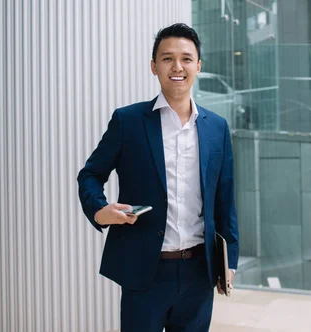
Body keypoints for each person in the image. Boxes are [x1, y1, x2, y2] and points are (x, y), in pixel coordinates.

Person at [77, 23, 239, 332]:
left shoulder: (217, 128)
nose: (177, 66)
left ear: (199, 65)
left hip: (198, 273)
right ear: (154, 66)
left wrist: (229, 261)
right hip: (144, 271)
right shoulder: (128, 121)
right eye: (167, 58)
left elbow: (225, 200)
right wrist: (100, 209)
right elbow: (91, 174)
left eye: (186, 58)